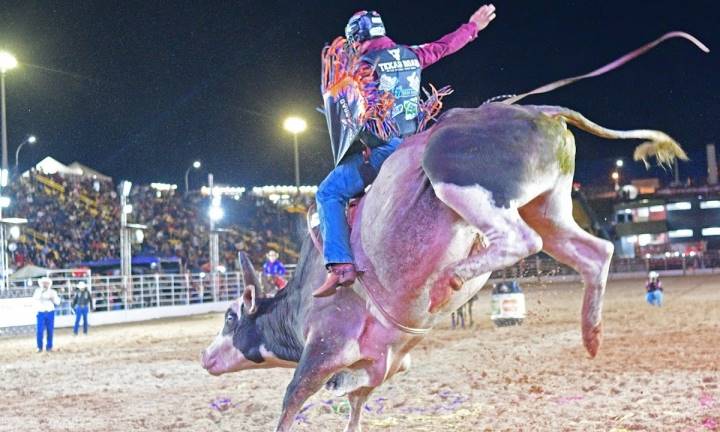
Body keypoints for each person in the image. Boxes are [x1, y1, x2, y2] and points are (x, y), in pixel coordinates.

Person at [314, 5, 497, 297]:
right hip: (416, 142)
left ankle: (341, 266)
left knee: (328, 193)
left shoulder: (360, 66)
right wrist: (473, 26)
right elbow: (444, 46)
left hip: (383, 152)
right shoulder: (411, 54)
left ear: (356, 39)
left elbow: (350, 114)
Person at [32, 277, 61, 352]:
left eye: (46, 283)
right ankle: (39, 347)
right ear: (41, 284)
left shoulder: (53, 292)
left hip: (50, 312)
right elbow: (35, 299)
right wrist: (42, 293)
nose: (45, 284)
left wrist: (53, 298)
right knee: (40, 331)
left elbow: (57, 302)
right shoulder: (37, 291)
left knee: (50, 330)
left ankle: (49, 347)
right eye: (44, 283)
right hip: (41, 312)